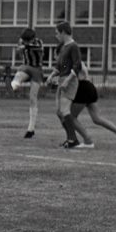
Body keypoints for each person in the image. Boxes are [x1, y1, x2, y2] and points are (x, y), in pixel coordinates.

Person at [69, 66, 116, 149]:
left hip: (82, 88)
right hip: (90, 86)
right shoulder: (78, 60)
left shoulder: (71, 60)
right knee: (97, 118)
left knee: (70, 117)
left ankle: (88, 141)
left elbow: (72, 77)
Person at [45, 21, 82, 149]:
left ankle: (73, 140)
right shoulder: (64, 46)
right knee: (59, 112)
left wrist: (67, 80)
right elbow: (60, 66)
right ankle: (70, 138)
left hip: (70, 81)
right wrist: (51, 75)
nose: (56, 36)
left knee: (64, 110)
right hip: (62, 79)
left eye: (57, 33)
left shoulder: (73, 46)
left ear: (63, 32)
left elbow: (77, 66)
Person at [10, 28, 45, 139]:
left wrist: (25, 46)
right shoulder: (22, 41)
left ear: (33, 38)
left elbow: (38, 48)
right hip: (26, 67)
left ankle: (31, 129)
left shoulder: (39, 42)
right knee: (18, 76)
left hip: (37, 69)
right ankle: (15, 85)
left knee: (32, 97)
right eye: (24, 40)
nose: (25, 42)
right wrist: (21, 47)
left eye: (27, 41)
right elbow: (18, 50)